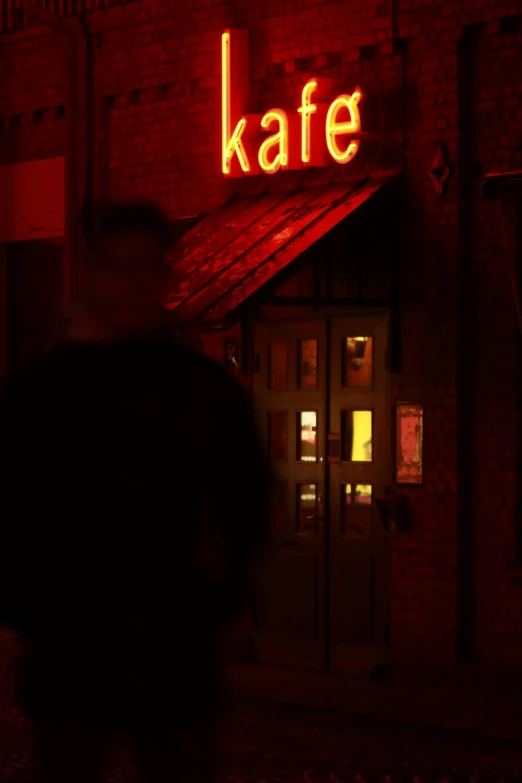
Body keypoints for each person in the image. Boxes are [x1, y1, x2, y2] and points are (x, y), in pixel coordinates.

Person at [0, 200, 271, 783]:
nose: (130, 285)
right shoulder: (42, 391)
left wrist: (224, 604)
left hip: (167, 646)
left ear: (164, 277)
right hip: (73, 644)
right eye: (119, 268)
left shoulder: (198, 388)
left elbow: (245, 498)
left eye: (144, 268)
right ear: (94, 272)